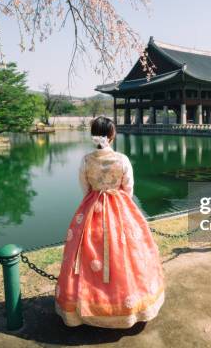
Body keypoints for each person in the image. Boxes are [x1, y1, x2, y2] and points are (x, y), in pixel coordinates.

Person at [55, 116, 164, 328]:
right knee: (126, 253)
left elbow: (84, 188)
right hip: (120, 205)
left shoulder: (86, 160)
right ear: (112, 135)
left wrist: (96, 198)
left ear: (93, 135)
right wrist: (117, 200)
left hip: (91, 207)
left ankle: (85, 304)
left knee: (85, 254)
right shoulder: (122, 160)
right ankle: (127, 303)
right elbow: (129, 188)